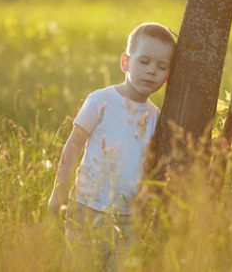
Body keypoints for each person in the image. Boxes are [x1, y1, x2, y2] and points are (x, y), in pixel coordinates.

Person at [48, 22, 176, 271]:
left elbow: (150, 162)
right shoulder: (100, 100)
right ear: (125, 63)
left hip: (128, 217)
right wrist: (58, 190)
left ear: (167, 76)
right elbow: (73, 145)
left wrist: (148, 193)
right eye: (144, 62)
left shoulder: (156, 117)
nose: (151, 71)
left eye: (161, 67)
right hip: (86, 208)